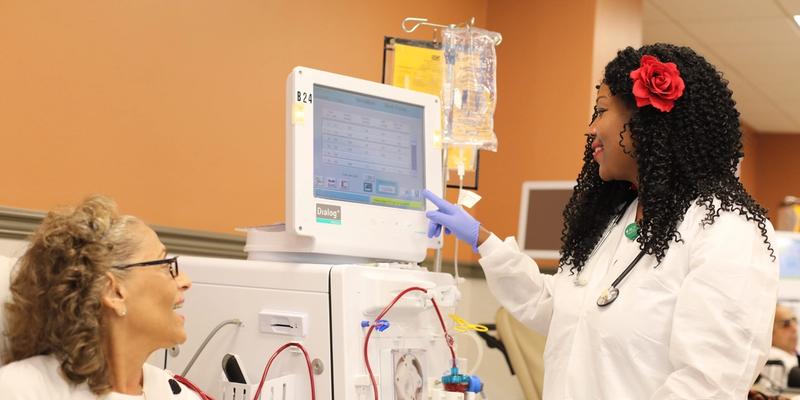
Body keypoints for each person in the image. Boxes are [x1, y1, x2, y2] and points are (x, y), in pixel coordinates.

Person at [424, 43, 779, 399]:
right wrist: (483, 240)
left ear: (648, 122)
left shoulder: (727, 228)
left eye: (601, 111)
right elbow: (559, 309)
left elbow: (708, 384)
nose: (591, 129)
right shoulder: (618, 218)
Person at [0, 196, 205, 399]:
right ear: (113, 291)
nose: (185, 281)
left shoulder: (180, 395)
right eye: (165, 264)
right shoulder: (24, 390)